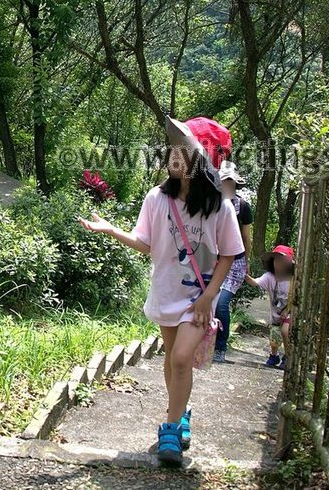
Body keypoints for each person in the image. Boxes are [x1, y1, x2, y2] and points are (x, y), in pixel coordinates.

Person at [78, 116, 244, 467]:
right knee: (172, 360)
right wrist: (110, 230)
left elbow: (230, 253)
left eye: (185, 151)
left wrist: (210, 295)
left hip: (198, 298)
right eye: (174, 149)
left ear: (202, 161)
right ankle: (181, 414)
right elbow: (145, 243)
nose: (175, 155)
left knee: (182, 358)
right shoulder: (157, 198)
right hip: (165, 291)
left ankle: (169, 428)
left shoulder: (220, 207)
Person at [212, 162, 253, 362]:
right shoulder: (211, 203)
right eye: (223, 182)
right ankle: (206, 343)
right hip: (212, 261)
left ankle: (220, 347)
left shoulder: (243, 207)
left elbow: (247, 238)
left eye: (230, 182)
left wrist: (246, 262)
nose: (227, 185)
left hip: (235, 263)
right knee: (207, 303)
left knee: (221, 303)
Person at [244, 244, 295, 369]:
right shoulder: (269, 277)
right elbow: (255, 282)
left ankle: (288, 357)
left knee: (285, 331)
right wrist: (245, 275)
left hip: (290, 312)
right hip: (276, 314)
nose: (279, 264)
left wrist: (287, 310)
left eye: (282, 261)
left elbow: (295, 298)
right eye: (276, 260)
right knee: (275, 337)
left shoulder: (293, 279)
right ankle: (274, 356)